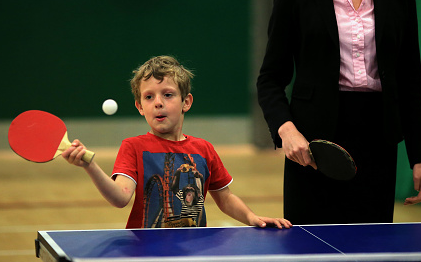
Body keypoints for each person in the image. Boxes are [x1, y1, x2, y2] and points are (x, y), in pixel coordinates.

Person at [256, 0, 421, 224]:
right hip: (312, 144)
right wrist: (287, 129)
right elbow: (270, 78)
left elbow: (410, 77)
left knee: (371, 249)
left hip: (377, 140)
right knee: (309, 251)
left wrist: (420, 157)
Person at [63, 55, 292, 229]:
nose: (158, 103)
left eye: (168, 94)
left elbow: (225, 198)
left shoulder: (203, 149)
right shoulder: (132, 147)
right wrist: (90, 166)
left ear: (186, 102)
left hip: (192, 251)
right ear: (140, 107)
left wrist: (252, 217)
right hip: (145, 252)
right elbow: (120, 197)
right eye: (149, 97)